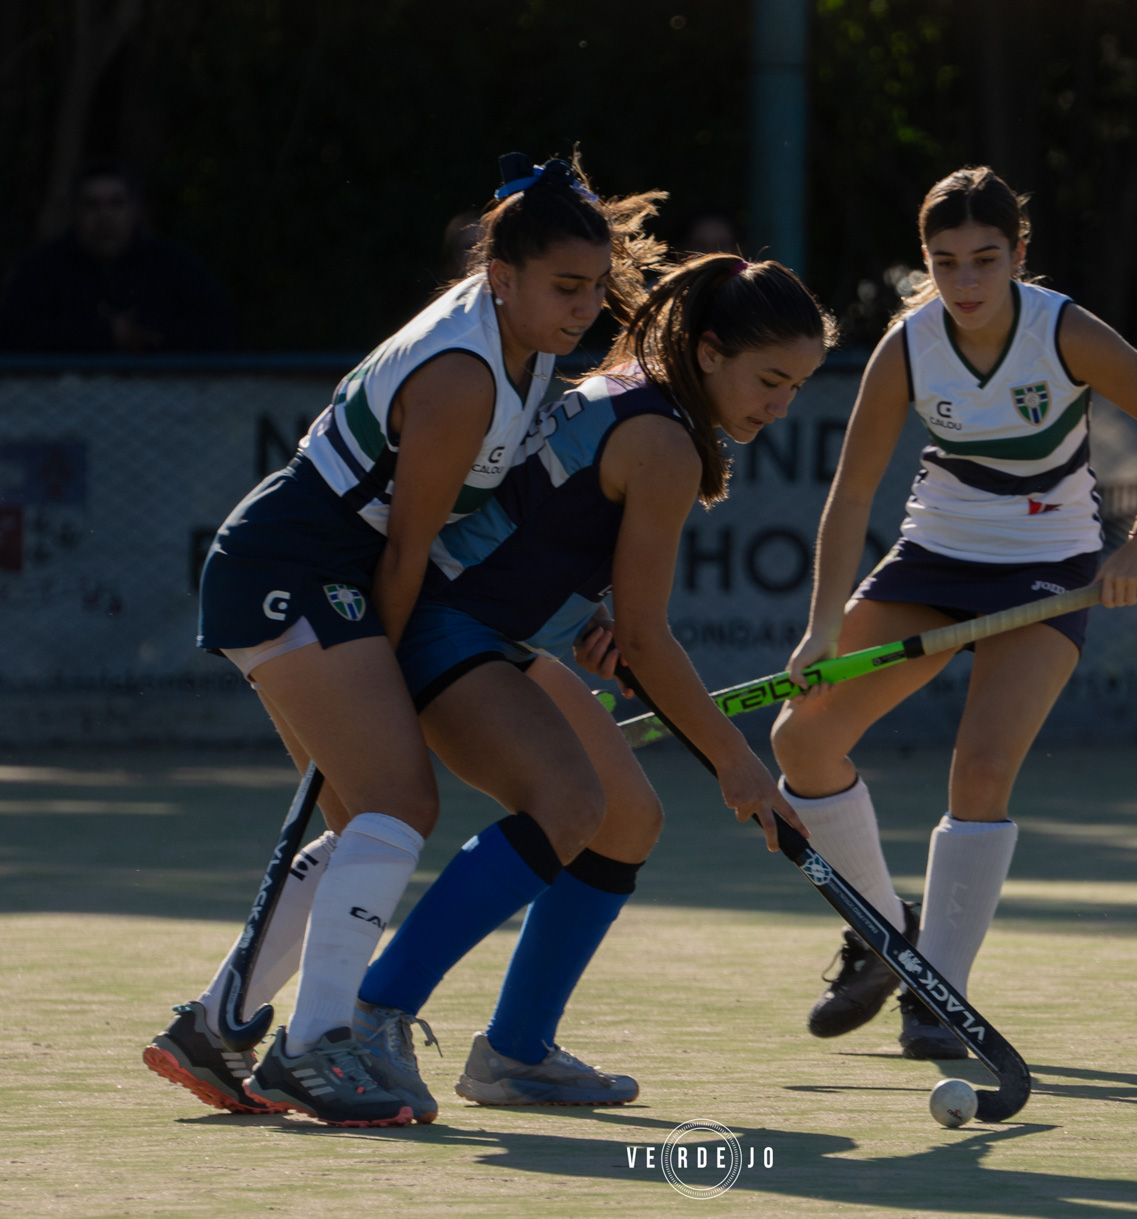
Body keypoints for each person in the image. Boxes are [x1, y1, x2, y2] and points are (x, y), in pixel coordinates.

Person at [141, 153, 662, 1127]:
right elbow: (407, 551)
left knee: (359, 820)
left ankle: (217, 1025)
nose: (587, 307)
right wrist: (389, 678)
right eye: (566, 286)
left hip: (322, 570)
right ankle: (313, 1047)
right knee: (396, 797)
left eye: (596, 287)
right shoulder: (463, 372)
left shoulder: (528, 337)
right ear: (499, 276)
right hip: (296, 568)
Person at [347, 253, 833, 1118]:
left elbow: (568, 550)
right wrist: (738, 763)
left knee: (627, 817)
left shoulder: (637, 388)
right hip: (442, 624)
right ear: (711, 351)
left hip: (490, 629)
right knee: (568, 805)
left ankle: (517, 1053)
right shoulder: (666, 442)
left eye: (796, 386)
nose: (780, 405)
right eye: (769, 379)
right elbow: (646, 641)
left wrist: (596, 613)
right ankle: (368, 1017)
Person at [769, 166, 1137, 1059]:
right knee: (799, 742)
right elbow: (850, 499)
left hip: (1049, 569)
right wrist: (819, 626)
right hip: (933, 557)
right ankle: (886, 933)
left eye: (984, 260)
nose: (964, 284)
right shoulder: (908, 344)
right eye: (944, 262)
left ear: (1017, 254)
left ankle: (940, 992)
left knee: (981, 765)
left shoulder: (1063, 330)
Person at [0, 159, 235, 352]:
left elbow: (220, 329)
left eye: (116, 204)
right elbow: (13, 333)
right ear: (73, 212)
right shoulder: (40, 270)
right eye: (91, 205)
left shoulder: (175, 266)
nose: (104, 217)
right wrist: (102, 336)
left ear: (135, 210)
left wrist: (145, 334)